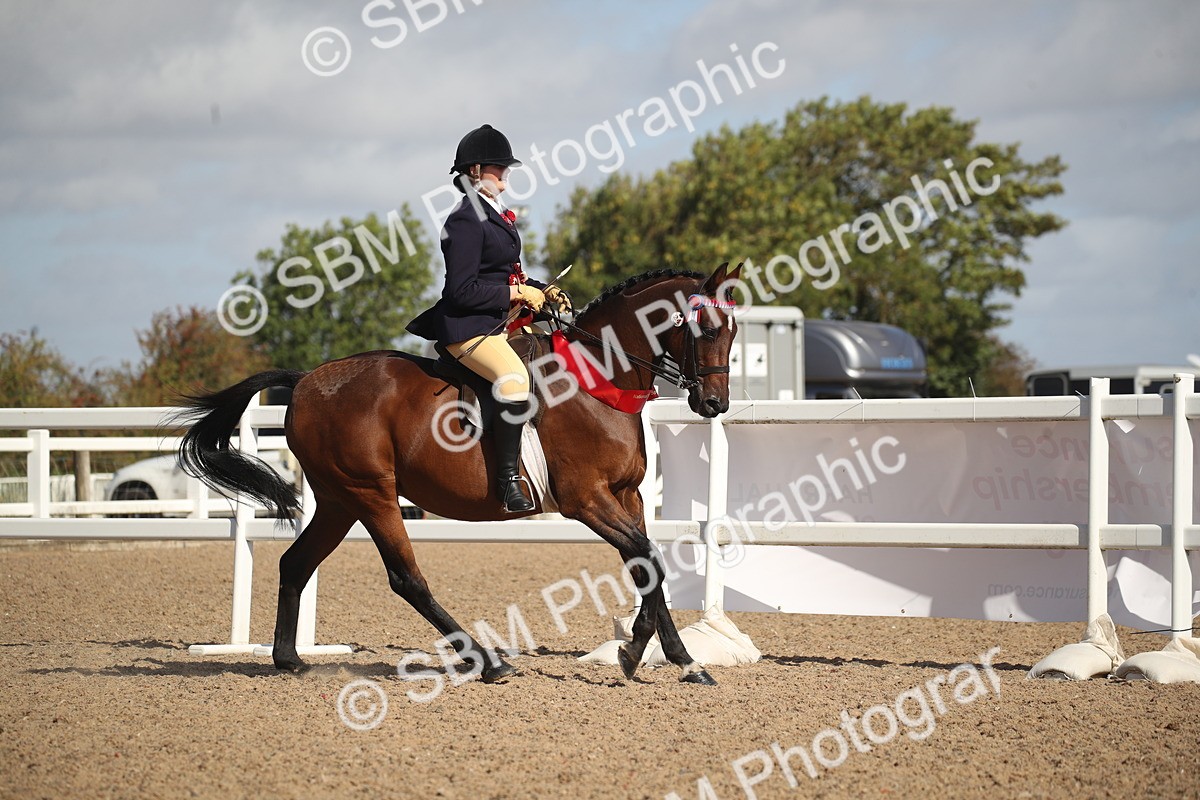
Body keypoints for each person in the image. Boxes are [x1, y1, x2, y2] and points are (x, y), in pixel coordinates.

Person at [407, 124, 569, 513]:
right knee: (515, 381)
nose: (506, 174)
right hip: (468, 328)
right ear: (476, 171)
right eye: (499, 168)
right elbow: (461, 291)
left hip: (497, 323)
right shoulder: (464, 218)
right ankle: (508, 479)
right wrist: (516, 293)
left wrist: (542, 290)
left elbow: (507, 273)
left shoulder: (497, 216)